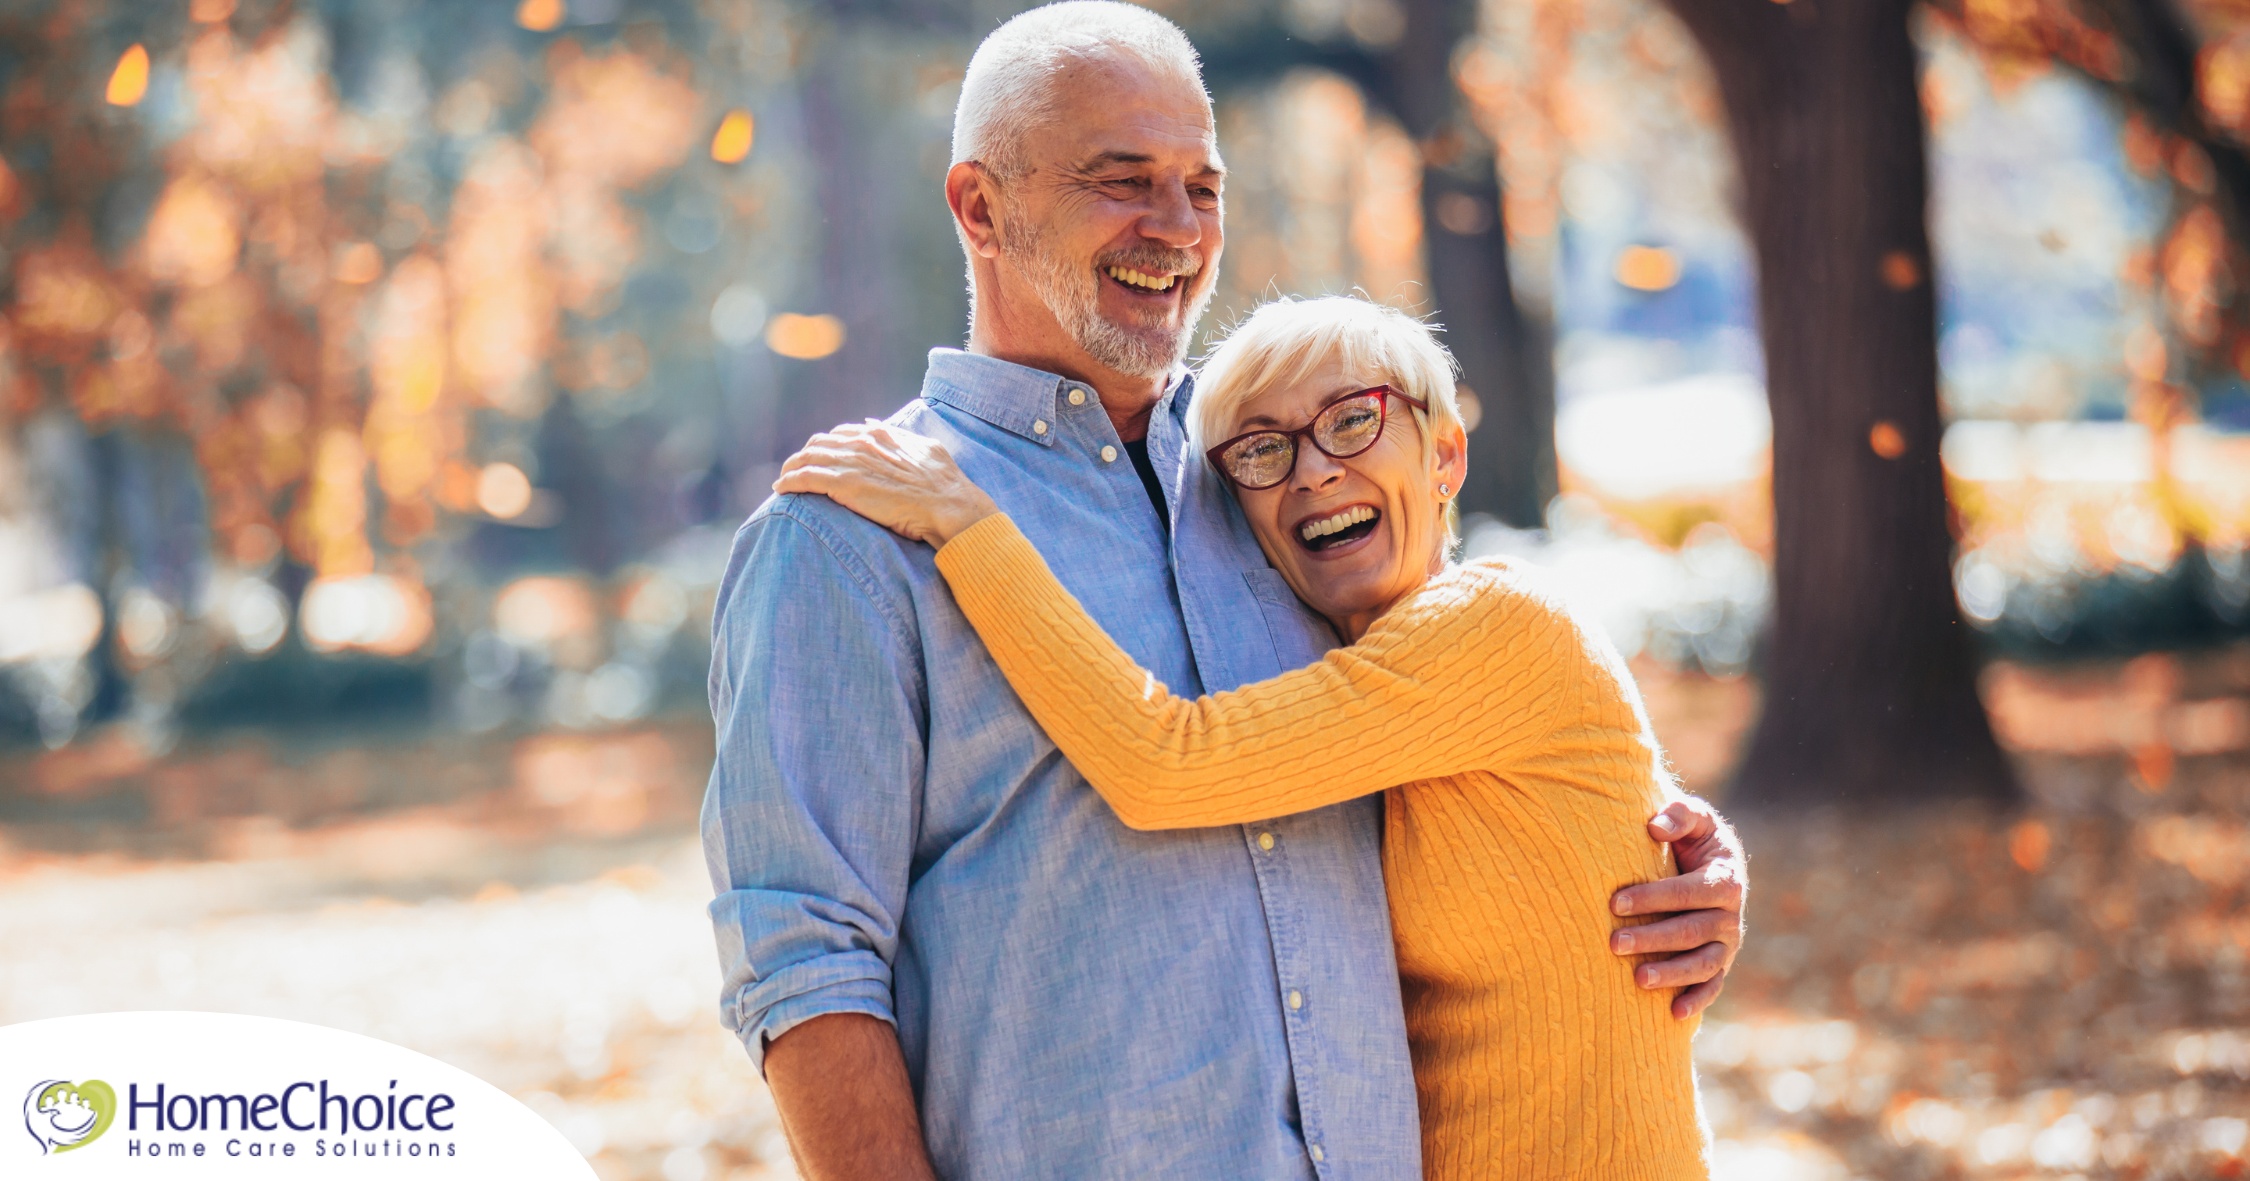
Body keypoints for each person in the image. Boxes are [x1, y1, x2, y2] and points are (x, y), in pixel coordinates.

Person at [701, 5, 1747, 1180]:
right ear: (981, 206)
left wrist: (1677, 865)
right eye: (1124, 179)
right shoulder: (848, 535)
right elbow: (806, 965)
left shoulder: (1289, 491)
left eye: (1203, 186)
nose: (1177, 227)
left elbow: (1476, 751)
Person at [777, 295, 1708, 1179]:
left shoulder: (1501, 622)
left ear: (1445, 455)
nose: (1311, 470)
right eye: (1261, 451)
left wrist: (967, 523)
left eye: (1352, 421)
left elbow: (1165, 762)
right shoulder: (1339, 687)